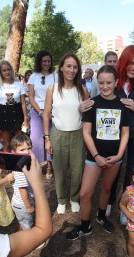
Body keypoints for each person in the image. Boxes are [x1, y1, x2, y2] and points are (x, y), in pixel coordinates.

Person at [65, 65, 130, 240]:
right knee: (85, 193)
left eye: (109, 82)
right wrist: (96, 156)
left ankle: (101, 216)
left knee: (107, 188)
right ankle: (85, 226)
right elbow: (86, 133)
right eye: (101, 82)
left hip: (115, 158)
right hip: (94, 157)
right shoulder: (92, 104)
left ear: (116, 82)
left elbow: (125, 133)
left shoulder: (123, 105)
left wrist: (119, 155)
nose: (105, 86)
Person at [43, 53, 89, 214]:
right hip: (58, 135)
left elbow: (88, 115)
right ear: (61, 67)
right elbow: (46, 113)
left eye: (75, 67)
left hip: (78, 135)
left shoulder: (82, 90)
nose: (71, 70)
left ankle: (74, 198)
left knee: (77, 170)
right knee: (59, 170)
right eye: (68, 66)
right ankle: (62, 200)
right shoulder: (52, 89)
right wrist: (47, 138)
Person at [110, 45, 134, 224]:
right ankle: (109, 200)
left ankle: (124, 205)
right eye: (131, 63)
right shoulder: (114, 80)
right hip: (115, 133)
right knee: (114, 168)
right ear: (124, 62)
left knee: (131, 171)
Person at [27, 51, 57, 179]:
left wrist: (50, 111)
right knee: (36, 140)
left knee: (51, 138)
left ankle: (50, 166)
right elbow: (31, 97)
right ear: (39, 62)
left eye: (49, 61)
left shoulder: (56, 76)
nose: (46, 63)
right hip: (37, 111)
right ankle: (38, 165)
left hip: (52, 112)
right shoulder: (33, 76)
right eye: (44, 61)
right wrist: (40, 111)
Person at [0, 60, 28, 152]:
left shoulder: (19, 84)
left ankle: (19, 163)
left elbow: (23, 103)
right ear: (0, 72)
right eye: (4, 70)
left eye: (8, 69)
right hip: (4, 113)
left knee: (19, 142)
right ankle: (7, 164)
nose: (7, 72)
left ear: (12, 70)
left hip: (17, 112)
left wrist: (25, 119)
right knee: (6, 143)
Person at [8, 134, 35, 230]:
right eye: (22, 150)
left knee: (23, 223)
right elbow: (22, 190)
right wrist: (28, 207)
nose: (27, 152)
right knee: (27, 225)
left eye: (29, 148)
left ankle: (21, 231)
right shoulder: (21, 169)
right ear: (14, 152)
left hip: (21, 204)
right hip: (23, 205)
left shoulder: (21, 163)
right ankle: (30, 242)